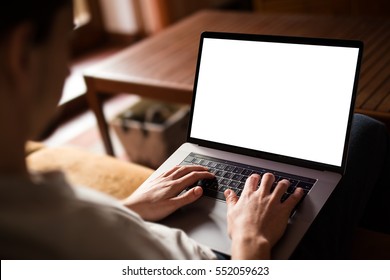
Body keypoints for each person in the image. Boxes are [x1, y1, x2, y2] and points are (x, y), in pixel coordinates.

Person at [0, 0, 388, 260]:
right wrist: (251, 241)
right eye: (63, 40)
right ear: (21, 55)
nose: (66, 68)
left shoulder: (27, 207)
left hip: (168, 227)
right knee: (364, 132)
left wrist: (129, 210)